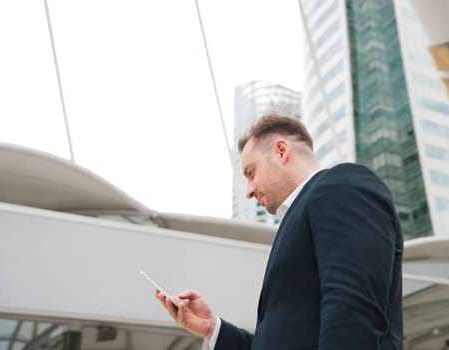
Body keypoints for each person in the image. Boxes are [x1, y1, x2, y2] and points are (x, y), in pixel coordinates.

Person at [155, 113, 403, 349]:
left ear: (281, 151)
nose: (249, 191)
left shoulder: (341, 186)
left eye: (251, 173)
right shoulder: (305, 212)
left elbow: (353, 311)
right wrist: (212, 328)